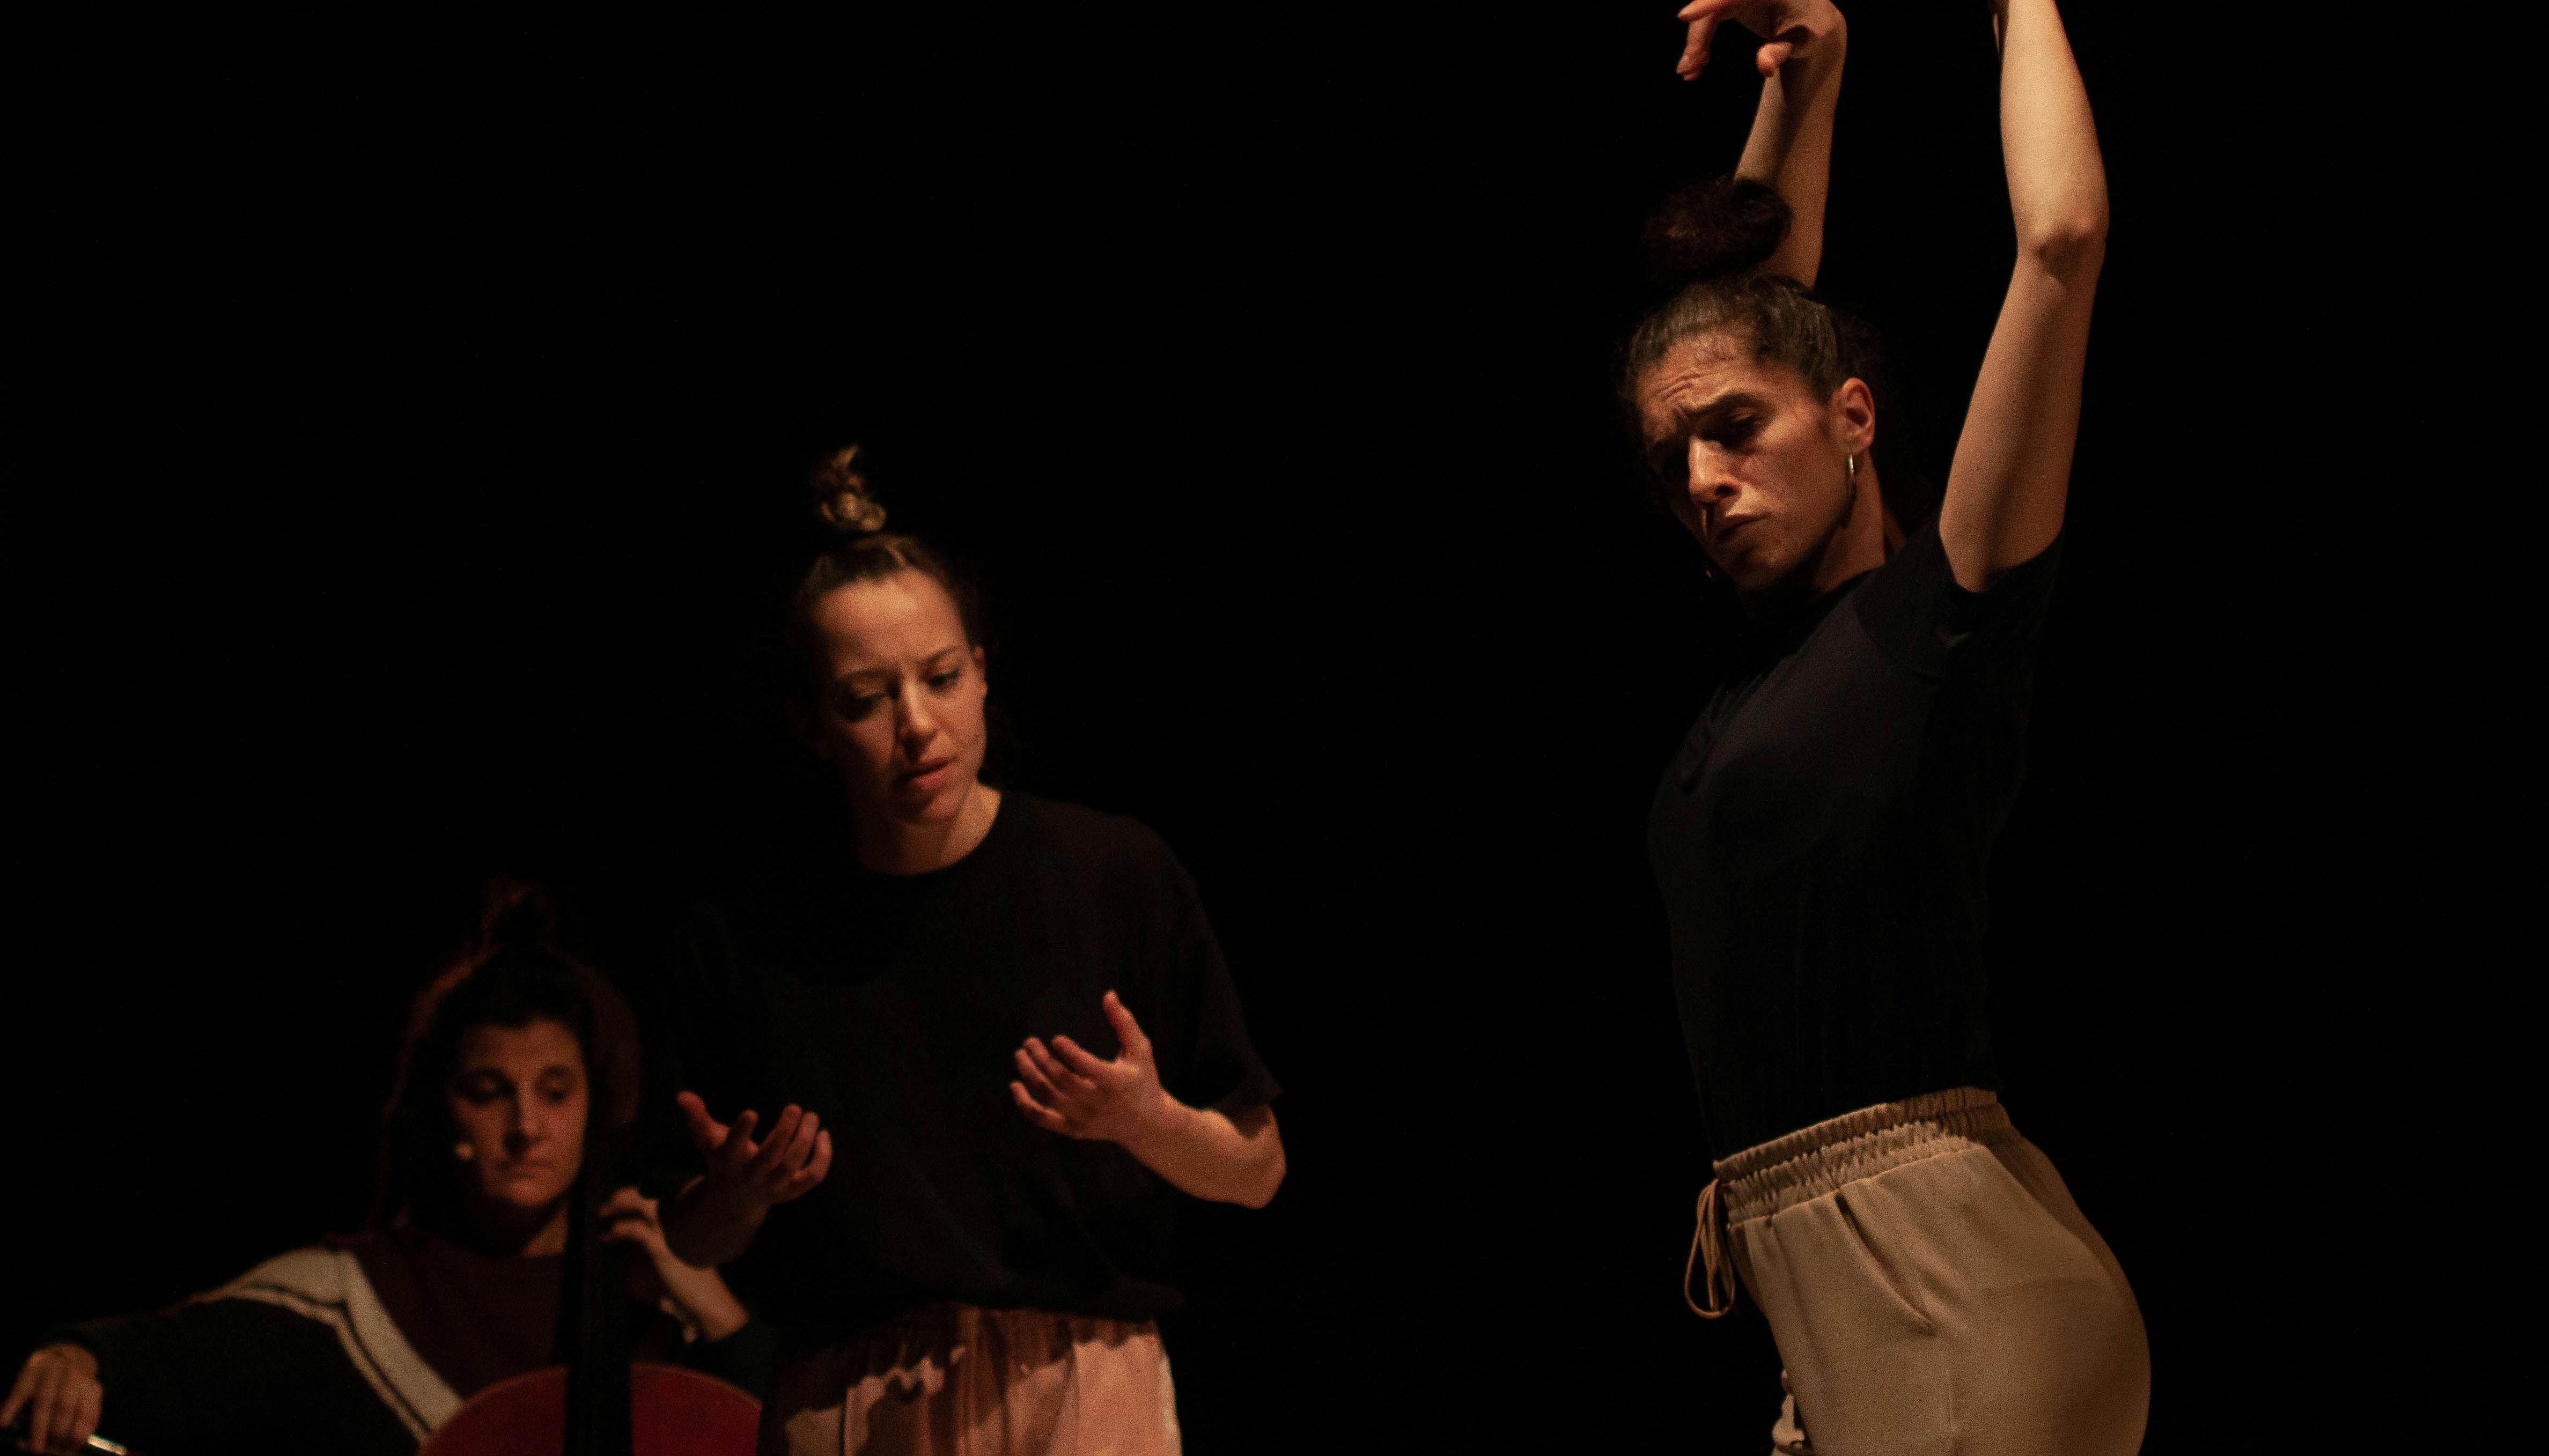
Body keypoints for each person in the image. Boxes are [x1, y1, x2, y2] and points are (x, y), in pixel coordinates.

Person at [1638, 3, 2148, 1452]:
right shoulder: (1758, 675)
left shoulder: (1940, 623)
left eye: (1736, 432)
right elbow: (1738, 334)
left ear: (1855, 418)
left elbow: (2061, 240)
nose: (1704, 476)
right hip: (1843, 1311)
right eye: (1677, 457)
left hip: (1960, 1285)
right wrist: (1817, 70)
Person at [644, 448, 1284, 1456]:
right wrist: (738, 1195)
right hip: (853, 1397)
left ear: (983, 673)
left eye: (941, 677)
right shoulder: (746, 933)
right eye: (865, 698)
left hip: (1085, 1383)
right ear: (811, 726)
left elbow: (1258, 1171)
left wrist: (1146, 1120)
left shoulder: (1112, 872)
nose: (917, 725)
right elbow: (685, 1239)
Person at [2, 886, 781, 1455]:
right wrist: (73, 1357)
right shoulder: (356, 1295)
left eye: (555, 1092)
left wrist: (718, 1312)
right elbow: (153, 1359)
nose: (525, 1128)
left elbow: (789, 1435)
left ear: (596, 1105)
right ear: (442, 1111)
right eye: (488, 1093)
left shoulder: (650, 1291)